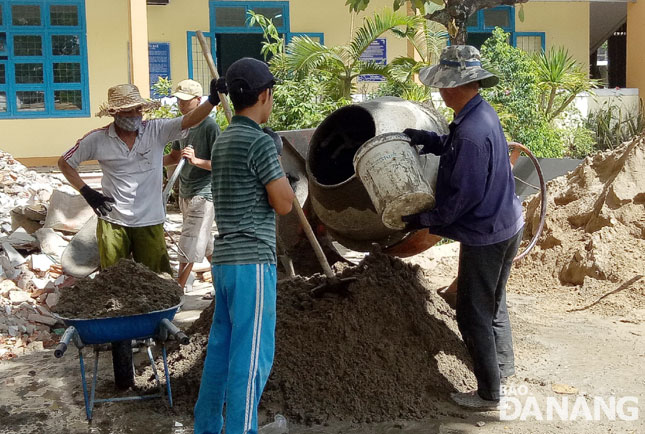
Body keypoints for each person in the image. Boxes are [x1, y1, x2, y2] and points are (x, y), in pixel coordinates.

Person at [58, 81, 223, 389]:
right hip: (113, 222)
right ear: (116, 113)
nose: (135, 114)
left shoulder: (156, 130)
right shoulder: (97, 140)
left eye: (138, 109)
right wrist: (87, 192)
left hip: (150, 222)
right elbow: (64, 163)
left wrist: (212, 100)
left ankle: (155, 333)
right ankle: (120, 339)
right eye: (128, 110)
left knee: (158, 283)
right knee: (114, 284)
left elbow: (190, 120)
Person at [400, 45, 524, 409]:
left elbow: (461, 199)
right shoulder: (478, 115)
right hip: (507, 222)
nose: (439, 91)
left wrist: (423, 220)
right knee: (493, 300)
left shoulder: (471, 130)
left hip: (486, 234)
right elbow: (458, 150)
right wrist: (432, 141)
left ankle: (489, 393)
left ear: (453, 87)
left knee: (471, 312)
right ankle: (503, 367)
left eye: (441, 85)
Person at [193, 58, 294, 434]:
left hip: (225, 263)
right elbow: (283, 203)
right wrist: (278, 162)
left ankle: (206, 427)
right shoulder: (259, 142)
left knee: (220, 351)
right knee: (252, 358)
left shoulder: (223, 140)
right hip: (253, 262)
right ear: (265, 95)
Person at [163, 79, 220, 289]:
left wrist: (197, 161)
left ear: (198, 100)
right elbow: (174, 156)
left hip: (203, 194)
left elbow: (221, 163)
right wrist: (147, 161)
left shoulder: (210, 127)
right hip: (185, 192)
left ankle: (178, 291)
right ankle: (223, 286)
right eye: (178, 100)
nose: (181, 104)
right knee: (205, 244)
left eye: (185, 101)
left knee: (189, 242)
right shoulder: (182, 125)